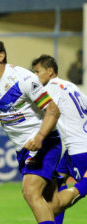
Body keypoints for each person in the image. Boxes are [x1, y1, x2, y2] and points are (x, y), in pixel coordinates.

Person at [0, 38, 62, 224]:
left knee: (30, 192)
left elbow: (53, 110)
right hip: (22, 149)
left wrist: (40, 137)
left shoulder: (23, 79)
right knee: (52, 201)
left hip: (44, 142)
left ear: (1, 56)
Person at [32, 54, 87, 224]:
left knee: (67, 195)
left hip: (80, 150)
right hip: (74, 150)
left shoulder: (51, 87)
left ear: (50, 71)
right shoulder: (72, 87)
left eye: (37, 72)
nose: (34, 77)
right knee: (52, 186)